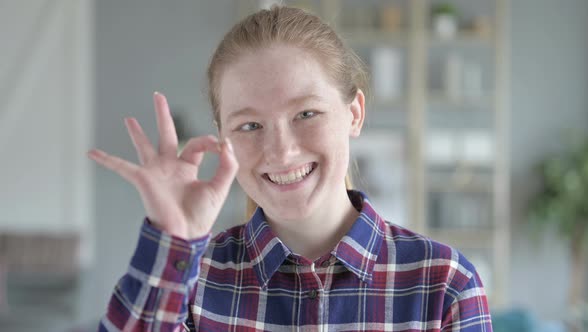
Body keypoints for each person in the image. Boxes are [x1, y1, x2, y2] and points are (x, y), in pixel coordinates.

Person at [90, 5, 492, 332]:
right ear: (222, 138)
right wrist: (173, 240)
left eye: (306, 113)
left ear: (354, 114)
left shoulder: (444, 285)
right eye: (250, 125)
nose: (281, 152)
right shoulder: (194, 282)